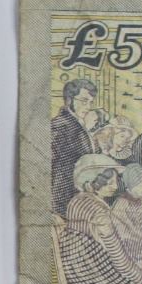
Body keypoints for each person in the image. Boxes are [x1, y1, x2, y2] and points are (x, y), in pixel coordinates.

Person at [51, 79, 100, 214]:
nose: (88, 107)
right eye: (84, 101)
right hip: (64, 196)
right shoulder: (59, 126)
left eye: (90, 102)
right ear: (69, 100)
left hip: (81, 196)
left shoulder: (80, 124)